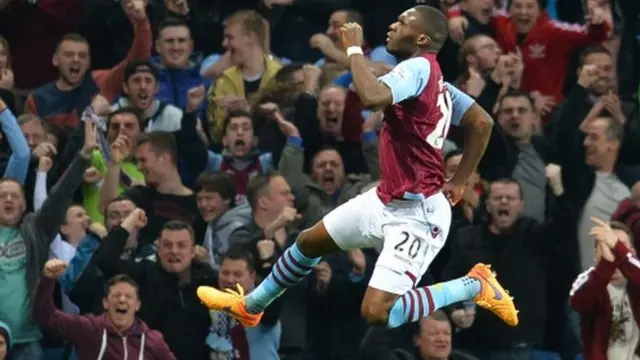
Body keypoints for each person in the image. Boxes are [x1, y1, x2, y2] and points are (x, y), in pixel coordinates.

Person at [198, 5, 518, 330]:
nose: (392, 25)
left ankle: (475, 285)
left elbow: (373, 98)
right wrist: (460, 180)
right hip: (385, 199)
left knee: (377, 313)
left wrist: (353, 50)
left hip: (417, 214)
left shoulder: (418, 67)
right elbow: (481, 122)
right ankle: (251, 306)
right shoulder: (438, 84)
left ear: (421, 38)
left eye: (402, 21)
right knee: (309, 242)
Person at [32, 259, 177, 360]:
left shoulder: (153, 340)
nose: (122, 300)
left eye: (128, 296)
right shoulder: (89, 329)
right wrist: (47, 280)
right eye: (116, 295)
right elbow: (45, 316)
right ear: (105, 303)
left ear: (137, 305)